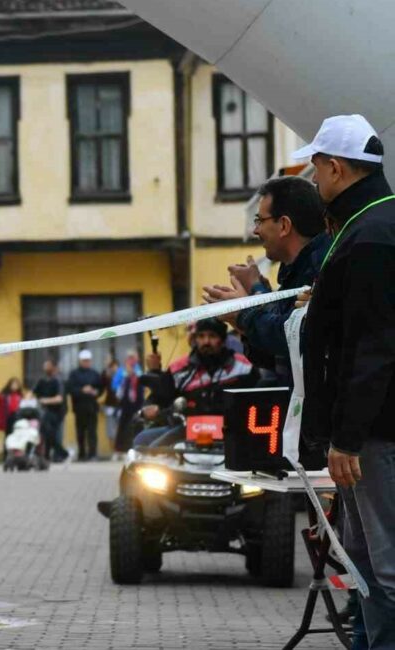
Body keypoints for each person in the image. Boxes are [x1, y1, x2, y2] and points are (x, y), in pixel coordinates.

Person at [294, 114, 395, 647]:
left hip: (375, 433)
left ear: (335, 168)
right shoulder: (368, 224)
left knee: (385, 565)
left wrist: (347, 436)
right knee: (362, 558)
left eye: (316, 172)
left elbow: (374, 346)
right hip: (366, 430)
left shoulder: (373, 234)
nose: (314, 185)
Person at [203, 175, 329, 386]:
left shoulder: (321, 269)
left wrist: (245, 308)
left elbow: (291, 336)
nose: (255, 230)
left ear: (284, 225)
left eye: (260, 220)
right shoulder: (295, 272)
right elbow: (275, 357)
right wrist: (239, 321)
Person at [133, 318, 257, 448]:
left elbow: (259, 398)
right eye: (201, 336)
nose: (206, 341)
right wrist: (151, 408)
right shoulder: (178, 370)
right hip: (187, 430)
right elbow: (159, 397)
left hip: (233, 430)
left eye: (212, 336)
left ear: (223, 339)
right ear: (195, 339)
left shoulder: (244, 367)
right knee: (143, 442)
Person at [67, 350, 103, 461]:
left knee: (92, 432)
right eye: (84, 361)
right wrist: (82, 390)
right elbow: (70, 389)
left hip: (92, 407)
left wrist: (95, 392)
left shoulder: (95, 374)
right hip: (79, 407)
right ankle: (82, 454)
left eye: (88, 361)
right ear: (80, 361)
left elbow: (100, 388)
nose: (86, 363)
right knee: (80, 432)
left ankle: (93, 454)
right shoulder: (74, 374)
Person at [33, 359, 68, 462]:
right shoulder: (42, 381)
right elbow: (33, 392)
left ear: (53, 367)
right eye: (45, 366)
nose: (45, 368)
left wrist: (44, 401)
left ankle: (60, 455)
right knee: (46, 433)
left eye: (48, 366)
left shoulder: (58, 380)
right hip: (46, 414)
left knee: (56, 435)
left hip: (58, 413)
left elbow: (59, 399)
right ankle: (48, 455)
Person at [112, 350, 143, 455]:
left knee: (136, 425)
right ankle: (121, 449)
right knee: (123, 426)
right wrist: (125, 378)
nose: (131, 360)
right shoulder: (121, 371)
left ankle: (136, 446)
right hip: (125, 404)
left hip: (137, 404)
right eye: (130, 357)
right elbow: (115, 386)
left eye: (133, 357)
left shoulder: (138, 370)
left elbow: (142, 383)